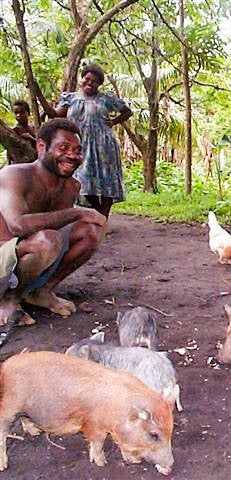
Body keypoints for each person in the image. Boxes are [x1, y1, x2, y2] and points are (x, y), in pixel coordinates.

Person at [0, 118, 107, 346]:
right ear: (41, 147)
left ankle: (41, 292)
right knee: (48, 240)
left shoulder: (70, 186)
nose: (72, 155)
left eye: (78, 150)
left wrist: (83, 218)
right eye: (63, 148)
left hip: (26, 257)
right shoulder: (13, 175)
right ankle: (9, 301)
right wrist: (77, 213)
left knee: (91, 230)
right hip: (2, 259)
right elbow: (17, 225)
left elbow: (59, 227)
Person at [39, 63, 133, 218]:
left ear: (99, 84)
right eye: (87, 79)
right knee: (82, 181)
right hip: (80, 146)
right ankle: (97, 213)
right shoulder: (71, 99)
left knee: (106, 180)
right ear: (82, 79)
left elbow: (127, 112)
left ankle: (103, 218)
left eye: (94, 81)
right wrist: (38, 94)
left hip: (104, 146)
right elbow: (54, 114)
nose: (89, 83)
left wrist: (114, 121)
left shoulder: (106, 99)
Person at [6, 100, 37, 165]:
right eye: (16, 113)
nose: (19, 115)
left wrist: (31, 138)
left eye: (22, 112)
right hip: (21, 164)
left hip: (35, 161)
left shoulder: (33, 128)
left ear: (28, 113)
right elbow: (9, 151)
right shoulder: (15, 131)